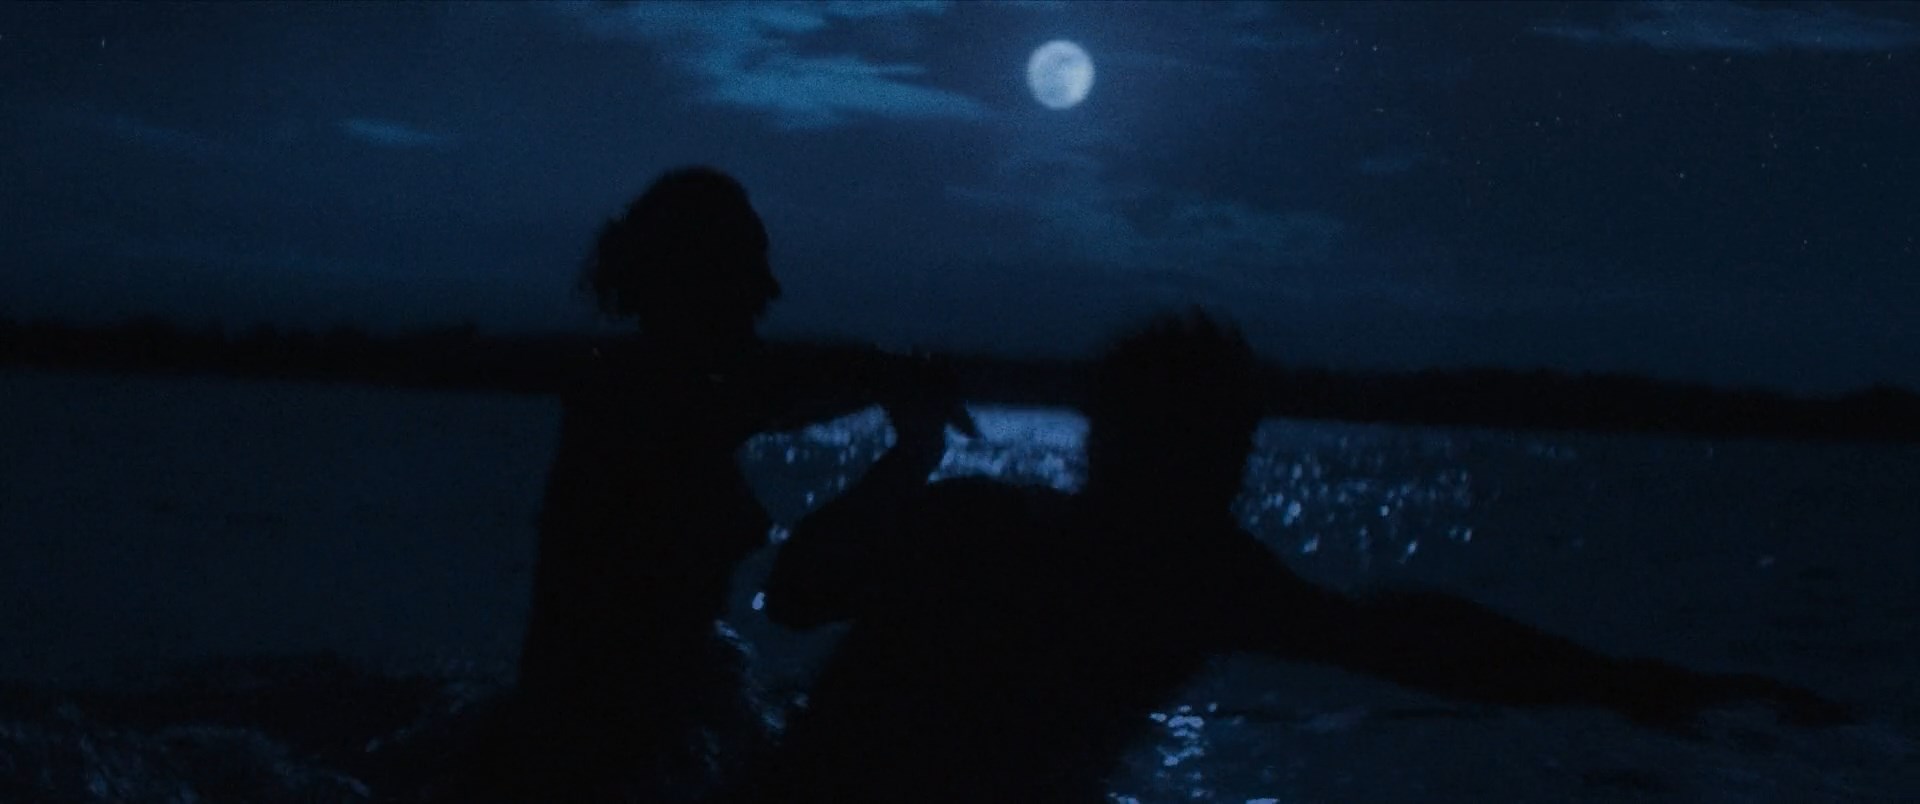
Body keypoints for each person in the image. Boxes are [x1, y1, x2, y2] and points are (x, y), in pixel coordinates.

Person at [737, 311, 1849, 804]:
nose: (1233, 473)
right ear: (1147, 447)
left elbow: (1409, 640)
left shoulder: (1154, 562)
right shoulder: (1056, 543)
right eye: (1222, 446)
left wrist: (1632, 684)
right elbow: (794, 595)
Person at [429, 167, 972, 803]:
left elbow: (775, 388)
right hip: (595, 762)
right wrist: (904, 409)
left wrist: (894, 391)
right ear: (696, 282)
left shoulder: (653, 403)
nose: (770, 290)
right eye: (750, 267)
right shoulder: (636, 405)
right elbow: (769, 390)